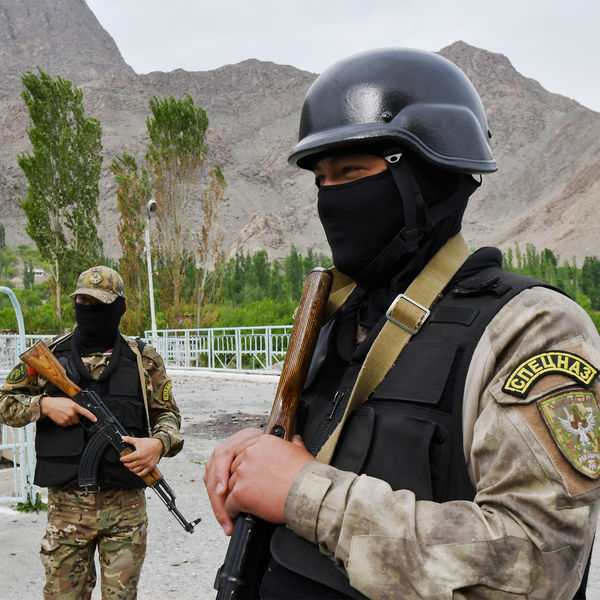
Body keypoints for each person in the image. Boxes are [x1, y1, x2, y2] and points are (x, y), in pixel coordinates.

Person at [204, 47, 600, 599]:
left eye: (352, 172)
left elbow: (538, 563)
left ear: (429, 176)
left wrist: (304, 493)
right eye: (321, 179)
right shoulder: (338, 317)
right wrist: (258, 452)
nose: (331, 197)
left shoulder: (530, 328)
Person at [0, 265, 183, 600]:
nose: (89, 310)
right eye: (83, 302)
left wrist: (159, 444)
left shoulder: (143, 359)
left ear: (118, 308)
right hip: (66, 512)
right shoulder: (50, 356)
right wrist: (44, 405)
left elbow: (168, 415)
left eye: (99, 304)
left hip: (126, 512)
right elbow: (4, 403)